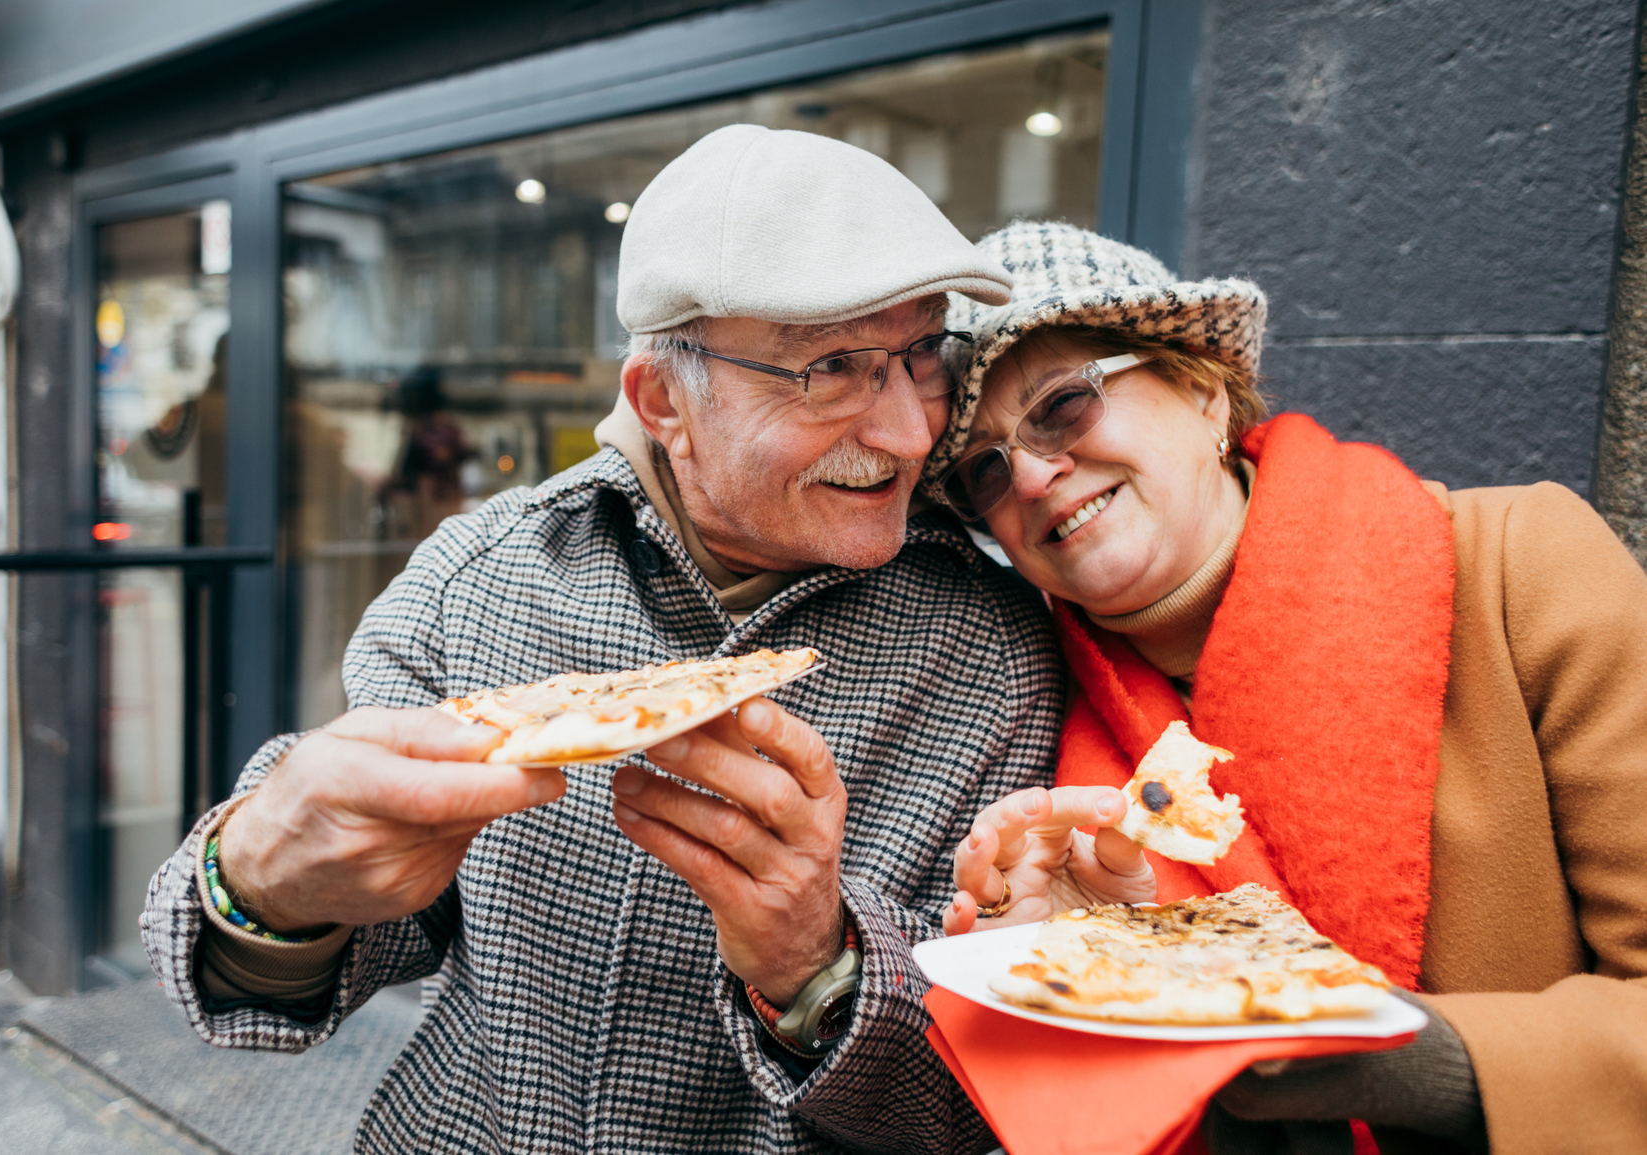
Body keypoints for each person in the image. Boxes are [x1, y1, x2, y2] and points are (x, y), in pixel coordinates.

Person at [142, 128, 1150, 1155]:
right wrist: (260, 888)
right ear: (663, 401)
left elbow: (972, 1108)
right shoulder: (481, 577)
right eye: (833, 369)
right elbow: (352, 934)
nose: (905, 431)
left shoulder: (998, 652)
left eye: (922, 354)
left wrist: (817, 966)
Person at [929, 220, 1647, 1154]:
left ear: (1196, 385)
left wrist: (1412, 1057)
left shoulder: (1520, 568)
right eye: (981, 469)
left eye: (1062, 406)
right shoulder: (1035, 719)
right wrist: (1079, 990)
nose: (1027, 474)